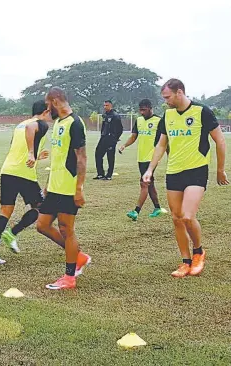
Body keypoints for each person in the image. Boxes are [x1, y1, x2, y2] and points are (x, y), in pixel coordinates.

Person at [143, 79, 228, 278]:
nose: (165, 102)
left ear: (179, 92)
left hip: (196, 170)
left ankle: (198, 252)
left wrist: (220, 169)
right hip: (174, 171)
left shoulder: (202, 111)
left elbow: (220, 140)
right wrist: (150, 169)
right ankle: (185, 261)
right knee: (176, 218)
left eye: (167, 97)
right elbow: (161, 145)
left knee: (187, 216)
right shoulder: (168, 115)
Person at [36, 87, 90, 290]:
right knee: (42, 225)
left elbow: (82, 158)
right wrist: (49, 184)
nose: (47, 108)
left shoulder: (75, 123)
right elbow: (58, 157)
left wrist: (79, 188)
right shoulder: (58, 122)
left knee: (67, 230)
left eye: (48, 104)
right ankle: (78, 256)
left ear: (56, 101)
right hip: (55, 185)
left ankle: (69, 277)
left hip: (68, 186)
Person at [0, 100, 52, 265]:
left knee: (5, 212)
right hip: (24, 173)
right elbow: (32, 130)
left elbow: (14, 148)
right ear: (45, 111)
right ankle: (12, 233)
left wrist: (35, 156)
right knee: (40, 208)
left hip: (8, 170)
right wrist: (31, 153)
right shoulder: (40, 124)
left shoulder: (20, 125)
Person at [119, 99, 165, 220]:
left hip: (152, 157)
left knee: (143, 183)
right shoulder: (138, 120)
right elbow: (134, 136)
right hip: (141, 157)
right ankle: (157, 207)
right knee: (150, 184)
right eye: (140, 110)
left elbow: (165, 141)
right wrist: (124, 145)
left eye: (144, 110)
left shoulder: (159, 121)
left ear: (150, 108)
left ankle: (136, 211)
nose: (142, 112)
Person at [94, 100, 123, 180]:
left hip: (111, 139)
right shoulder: (105, 115)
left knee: (110, 157)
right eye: (104, 105)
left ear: (111, 106)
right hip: (103, 138)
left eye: (106, 105)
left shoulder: (115, 115)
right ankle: (100, 174)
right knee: (98, 154)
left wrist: (115, 139)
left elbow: (120, 129)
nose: (105, 107)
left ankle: (109, 175)